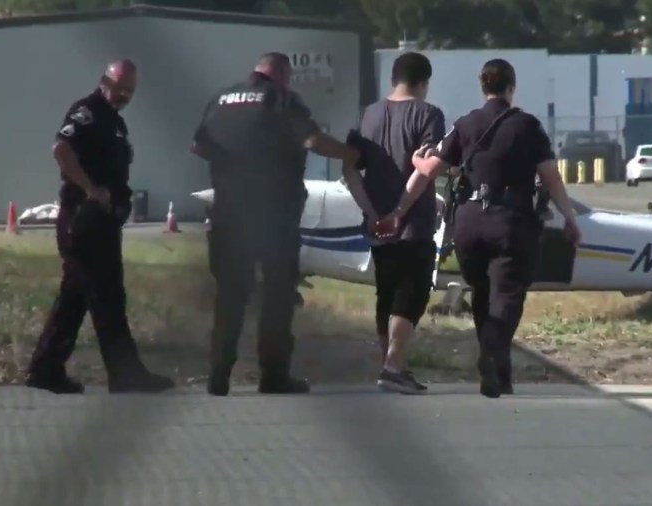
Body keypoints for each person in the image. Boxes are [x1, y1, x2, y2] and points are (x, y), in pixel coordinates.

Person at [380, 59, 582, 398]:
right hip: (511, 221)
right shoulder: (527, 126)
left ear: (483, 88)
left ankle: (499, 373)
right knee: (507, 297)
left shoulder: (466, 124)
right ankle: (490, 354)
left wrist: (401, 206)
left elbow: (428, 170)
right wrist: (570, 218)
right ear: (511, 89)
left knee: (483, 296)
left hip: (469, 224)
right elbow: (550, 176)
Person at [191, 52, 360, 396]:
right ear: (283, 75)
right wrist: (351, 154)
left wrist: (234, 166)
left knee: (230, 296)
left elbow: (199, 146)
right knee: (277, 295)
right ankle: (273, 375)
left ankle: (219, 375)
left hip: (228, 212)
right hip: (273, 213)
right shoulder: (282, 99)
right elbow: (312, 140)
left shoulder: (220, 99)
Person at [26, 59, 175, 394]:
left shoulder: (114, 121)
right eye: (119, 88)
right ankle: (125, 374)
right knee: (107, 296)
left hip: (102, 222)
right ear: (104, 81)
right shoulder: (88, 111)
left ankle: (45, 369)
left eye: (130, 91)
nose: (123, 95)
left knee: (76, 296)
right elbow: (61, 148)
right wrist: (91, 189)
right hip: (85, 218)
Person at [341, 51, 446, 394]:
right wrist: (400, 210)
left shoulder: (368, 115)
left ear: (393, 79)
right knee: (411, 292)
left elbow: (349, 169)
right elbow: (425, 168)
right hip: (411, 220)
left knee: (386, 292)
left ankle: (392, 364)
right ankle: (392, 366)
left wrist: (372, 212)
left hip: (376, 221)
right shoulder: (428, 114)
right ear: (422, 83)